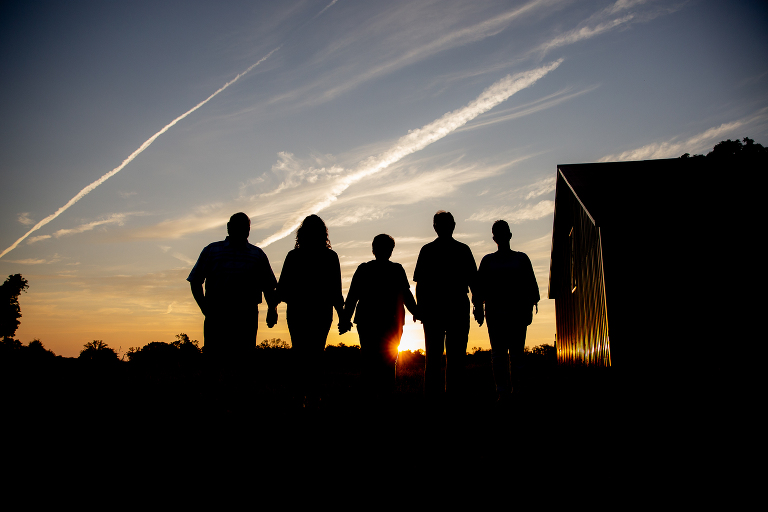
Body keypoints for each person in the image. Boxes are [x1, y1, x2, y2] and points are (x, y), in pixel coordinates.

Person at [188, 212, 278, 366]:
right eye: (238, 226)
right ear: (229, 227)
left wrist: (272, 309)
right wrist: (205, 308)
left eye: (245, 227)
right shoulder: (212, 251)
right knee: (215, 360)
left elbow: (268, 286)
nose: (242, 231)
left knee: (243, 360)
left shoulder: (257, 255)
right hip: (217, 314)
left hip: (246, 315)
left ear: (249, 230)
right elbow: (195, 281)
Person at [277, 215, 344, 409]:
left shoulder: (294, 256)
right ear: (324, 233)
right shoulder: (330, 256)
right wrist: (342, 316)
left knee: (300, 353)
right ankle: (313, 397)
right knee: (315, 354)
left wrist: (273, 307)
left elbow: (282, 288)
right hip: (321, 312)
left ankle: (299, 397)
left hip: (299, 311)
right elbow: (335, 291)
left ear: (301, 233)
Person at [341, 234, 418, 401]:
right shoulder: (396, 269)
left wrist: (345, 319)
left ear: (373, 250)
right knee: (388, 362)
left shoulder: (365, 269)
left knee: (371, 360)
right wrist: (416, 312)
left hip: (373, 322)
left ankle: (373, 398)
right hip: (389, 322)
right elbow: (407, 295)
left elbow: (352, 296)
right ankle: (383, 397)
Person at [413, 210, 479, 400]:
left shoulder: (460, 250)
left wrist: (478, 306)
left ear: (451, 226)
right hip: (442, 308)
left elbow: (474, 282)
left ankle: (448, 397)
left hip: (453, 307)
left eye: (443, 224)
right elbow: (421, 283)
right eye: (439, 224)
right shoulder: (431, 250)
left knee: (450, 356)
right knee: (441, 356)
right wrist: (420, 307)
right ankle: (442, 398)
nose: (441, 227)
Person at [473, 220, 539, 400]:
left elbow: (531, 286)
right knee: (499, 355)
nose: (501, 236)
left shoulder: (521, 258)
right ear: (494, 238)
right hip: (495, 315)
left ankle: (518, 391)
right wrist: (478, 308)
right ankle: (502, 391)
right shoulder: (488, 260)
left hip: (517, 314)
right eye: (497, 234)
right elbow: (478, 288)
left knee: (517, 354)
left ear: (509, 235)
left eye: (503, 233)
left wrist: (529, 308)